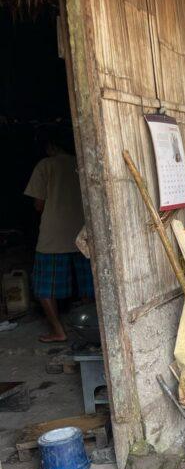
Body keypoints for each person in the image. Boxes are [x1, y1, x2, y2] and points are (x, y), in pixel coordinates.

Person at [24, 134, 94, 343]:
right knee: (88, 285)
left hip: (53, 236)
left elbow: (39, 205)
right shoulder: (82, 162)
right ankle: (90, 327)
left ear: (51, 146)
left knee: (44, 287)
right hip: (83, 234)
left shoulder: (45, 165)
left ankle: (58, 331)